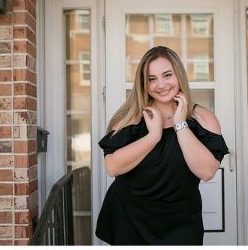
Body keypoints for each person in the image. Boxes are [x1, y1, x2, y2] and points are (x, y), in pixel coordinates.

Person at [95, 46, 229, 245]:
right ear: (144, 83)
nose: (161, 85)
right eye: (151, 79)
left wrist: (180, 124)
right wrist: (154, 136)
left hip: (181, 221)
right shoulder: (129, 118)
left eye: (167, 75)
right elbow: (113, 167)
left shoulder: (203, 118)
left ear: (179, 75)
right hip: (131, 219)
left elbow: (207, 171)